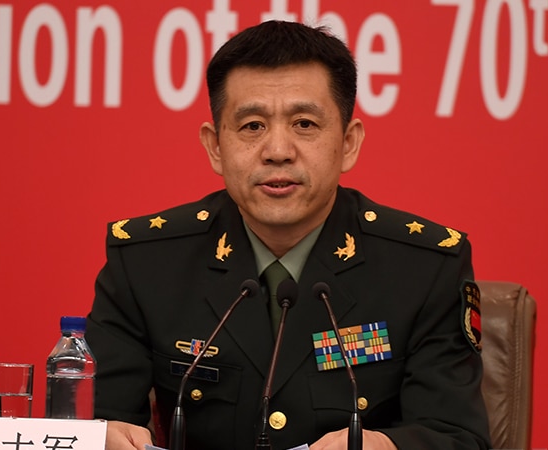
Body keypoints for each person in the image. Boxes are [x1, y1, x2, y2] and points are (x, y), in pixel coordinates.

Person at [86, 20, 490, 450]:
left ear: (349, 142)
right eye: (252, 126)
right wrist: (96, 438)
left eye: (304, 124)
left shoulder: (424, 268)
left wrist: (385, 447)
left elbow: (457, 437)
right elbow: (99, 419)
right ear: (215, 147)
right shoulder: (147, 262)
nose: (278, 150)